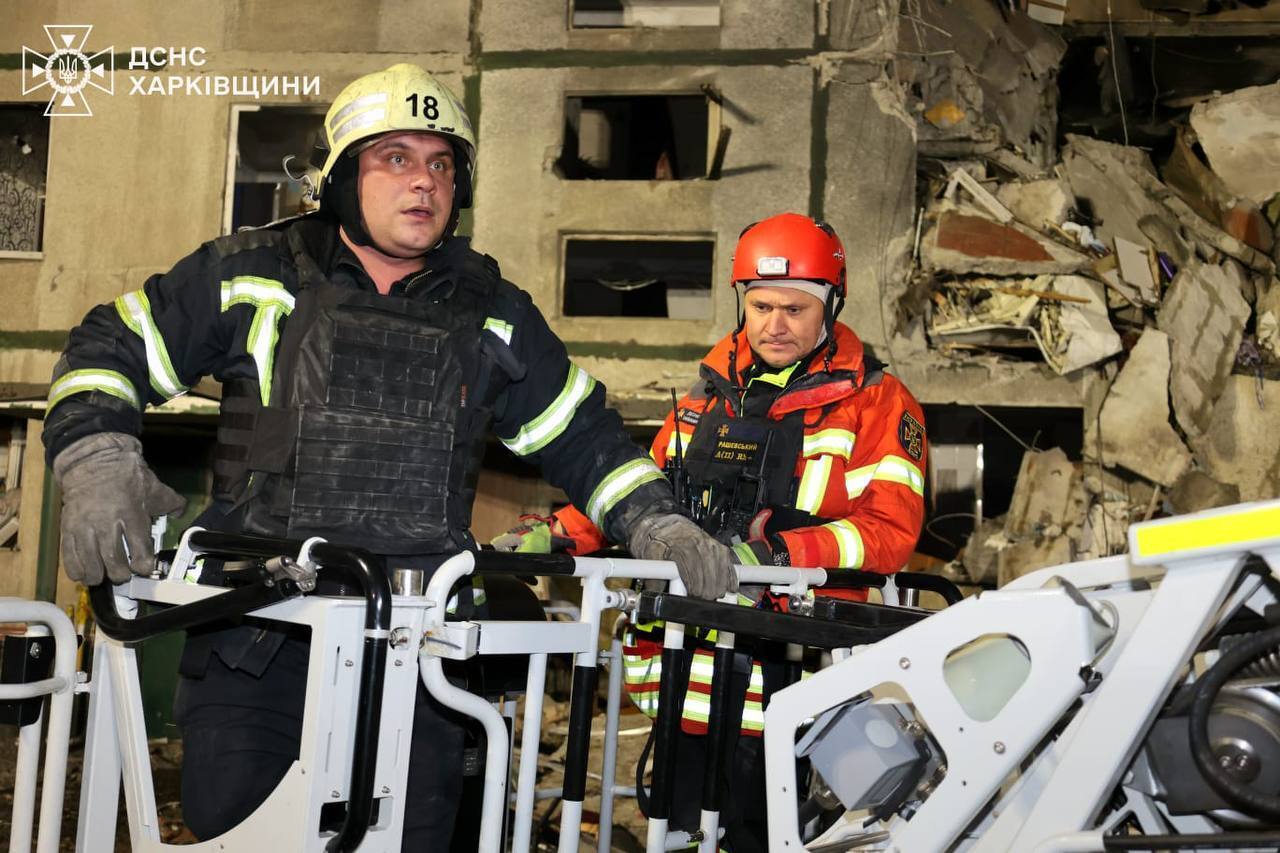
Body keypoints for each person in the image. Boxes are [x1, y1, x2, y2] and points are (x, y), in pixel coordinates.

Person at [43, 63, 735, 849]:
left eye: (442, 163)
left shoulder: (493, 315)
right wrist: (97, 461)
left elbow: (585, 434)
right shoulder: (249, 276)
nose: (425, 182)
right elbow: (109, 344)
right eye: (396, 158)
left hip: (419, 659)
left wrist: (657, 523)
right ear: (340, 176)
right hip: (258, 649)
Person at [497, 212, 928, 850]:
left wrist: (775, 553)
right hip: (683, 669)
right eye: (760, 306)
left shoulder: (878, 402)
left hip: (794, 676)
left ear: (831, 307)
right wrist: (560, 532)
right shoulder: (706, 395)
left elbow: (890, 534)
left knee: (765, 838)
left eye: (794, 308)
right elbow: (646, 499)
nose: (774, 325)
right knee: (674, 831)